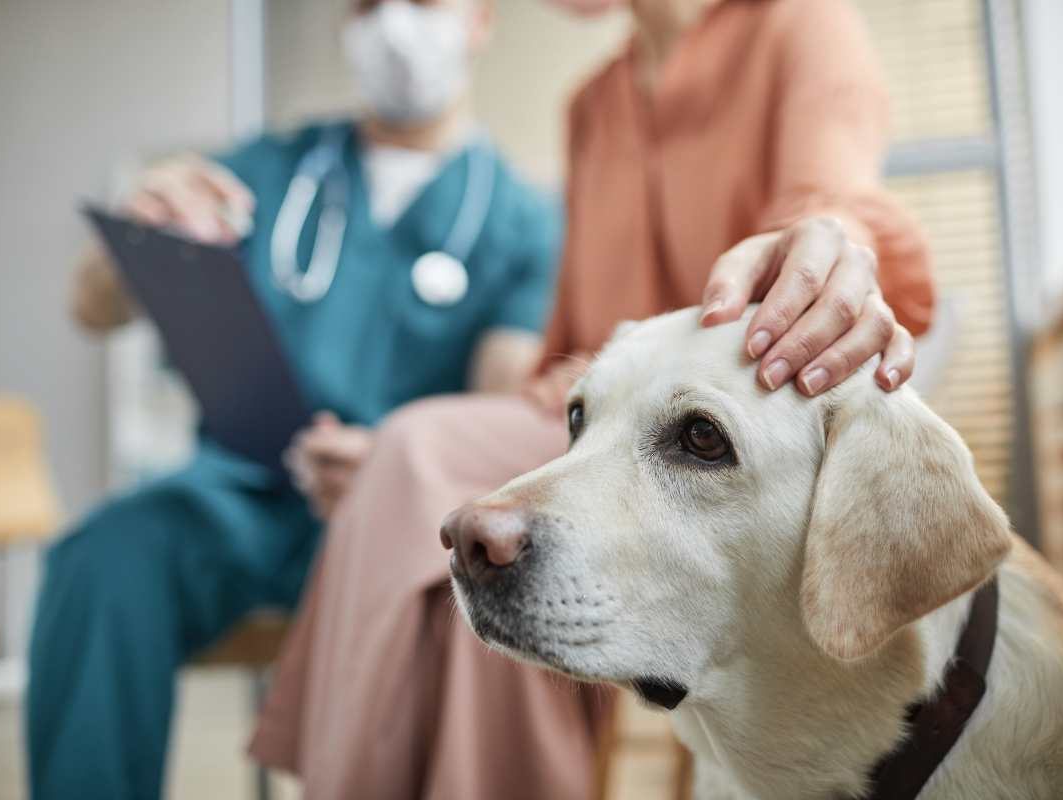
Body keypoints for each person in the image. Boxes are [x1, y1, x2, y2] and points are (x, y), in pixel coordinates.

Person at [249, 0, 935, 798]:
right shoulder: (591, 105)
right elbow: (570, 352)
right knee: (421, 473)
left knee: (420, 456)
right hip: (593, 423)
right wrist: (440, 454)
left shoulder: (799, 24)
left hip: (728, 435)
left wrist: (828, 242)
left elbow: (834, 196)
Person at [26, 2, 561, 798]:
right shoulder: (270, 172)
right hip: (238, 501)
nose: (393, 26)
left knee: (454, 619)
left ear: (480, 19)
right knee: (102, 556)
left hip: (400, 520)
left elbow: (497, 401)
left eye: (422, 4)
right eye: (369, 5)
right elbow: (90, 307)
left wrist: (391, 469)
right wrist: (141, 226)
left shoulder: (522, 221)